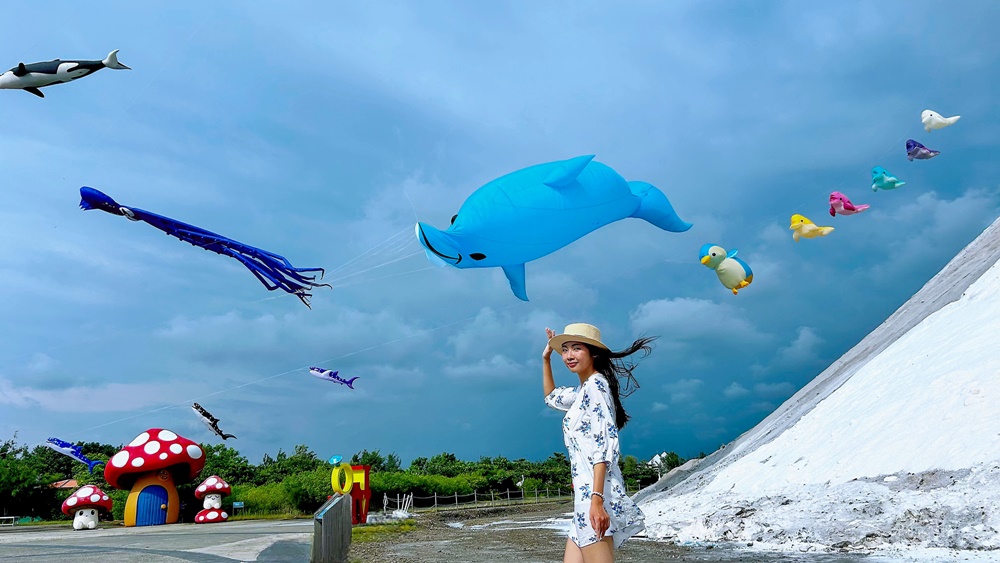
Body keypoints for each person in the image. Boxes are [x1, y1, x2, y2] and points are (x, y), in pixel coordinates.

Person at [543, 323, 655, 563]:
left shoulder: (596, 386)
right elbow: (551, 398)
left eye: (576, 348)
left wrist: (596, 500)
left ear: (593, 353)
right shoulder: (582, 391)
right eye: (565, 349)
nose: (569, 355)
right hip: (585, 497)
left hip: (595, 495)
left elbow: (603, 444)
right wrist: (546, 359)